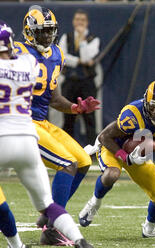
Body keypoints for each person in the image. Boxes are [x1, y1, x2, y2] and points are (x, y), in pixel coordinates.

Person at [0, 21, 106, 248]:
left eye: (50, 30)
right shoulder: (25, 59)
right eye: (42, 31)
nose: (47, 35)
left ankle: (46, 221)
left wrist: (74, 108)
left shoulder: (55, 53)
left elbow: (53, 97)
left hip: (27, 124)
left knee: (81, 160)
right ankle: (52, 225)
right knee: (67, 163)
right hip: (27, 127)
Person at [79, 79, 155, 237]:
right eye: (151, 107)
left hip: (138, 152)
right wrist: (124, 157)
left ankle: (150, 229)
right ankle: (94, 203)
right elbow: (105, 136)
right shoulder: (132, 114)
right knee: (112, 174)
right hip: (114, 147)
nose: (154, 113)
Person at [59, 9, 100, 147]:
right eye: (77, 19)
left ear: (87, 23)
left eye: (82, 20)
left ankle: (92, 149)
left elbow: (87, 57)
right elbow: (63, 57)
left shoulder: (93, 40)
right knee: (68, 116)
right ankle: (67, 148)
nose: (79, 23)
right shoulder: (67, 37)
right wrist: (79, 61)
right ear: (73, 21)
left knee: (89, 117)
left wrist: (82, 41)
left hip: (86, 83)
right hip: (70, 82)